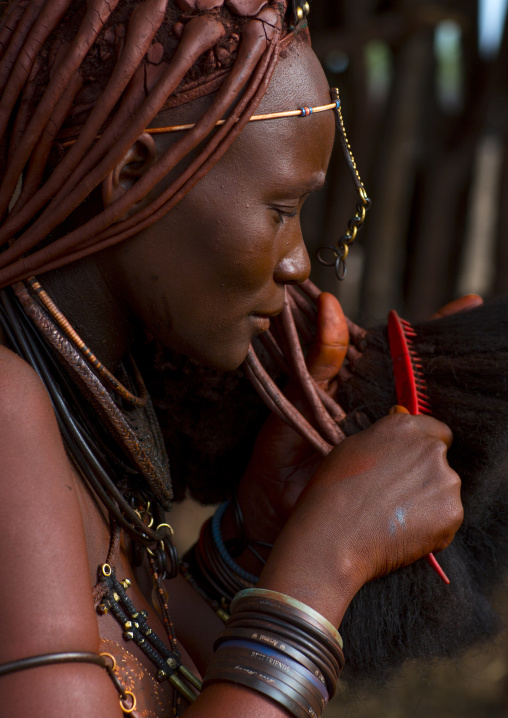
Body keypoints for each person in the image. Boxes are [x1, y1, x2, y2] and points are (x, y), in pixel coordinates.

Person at [0, 1, 464, 716]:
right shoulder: (6, 408)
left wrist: (249, 535)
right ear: (132, 175)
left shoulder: (94, 408)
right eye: (281, 210)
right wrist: (323, 564)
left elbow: (135, 663)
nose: (300, 262)